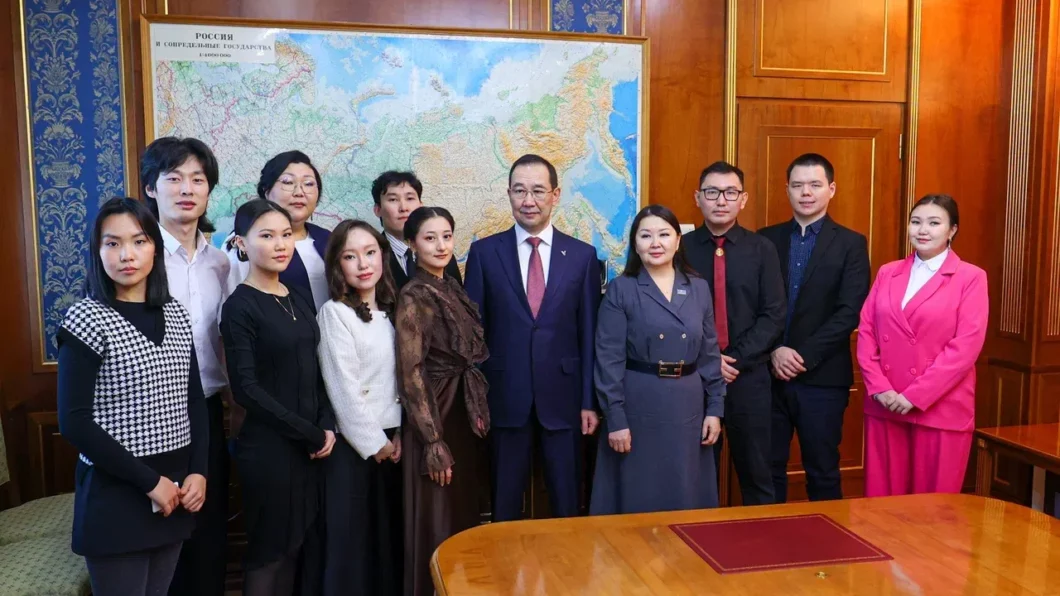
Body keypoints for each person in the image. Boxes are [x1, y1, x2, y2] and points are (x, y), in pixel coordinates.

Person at [57, 197, 207, 595]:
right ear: (97, 251)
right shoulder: (86, 318)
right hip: (117, 493)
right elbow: (74, 422)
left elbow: (194, 400)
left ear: (155, 247)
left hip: (175, 488)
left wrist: (199, 471)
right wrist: (150, 482)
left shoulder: (176, 314)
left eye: (139, 241)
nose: (127, 254)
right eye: (113, 243)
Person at [464, 154, 600, 521]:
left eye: (538, 191)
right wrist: (477, 403)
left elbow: (589, 334)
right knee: (504, 504)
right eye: (520, 191)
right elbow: (473, 336)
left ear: (555, 195)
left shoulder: (583, 257)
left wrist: (589, 402)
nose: (529, 200)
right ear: (508, 194)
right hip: (504, 398)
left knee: (566, 503)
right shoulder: (484, 253)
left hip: (565, 399)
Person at [220, 199, 336, 596]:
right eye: (267, 236)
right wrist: (309, 432)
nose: (280, 244)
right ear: (241, 243)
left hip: (310, 447)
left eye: (286, 235)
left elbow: (317, 366)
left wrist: (325, 423)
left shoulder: (298, 296)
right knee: (268, 553)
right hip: (269, 449)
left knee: (295, 548)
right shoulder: (239, 306)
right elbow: (246, 389)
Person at [141, 136, 232, 596]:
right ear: (151, 188)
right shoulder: (137, 257)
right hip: (150, 415)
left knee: (208, 534)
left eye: (198, 179)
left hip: (210, 411)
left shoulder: (223, 264)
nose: (186, 189)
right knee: (161, 540)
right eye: (173, 178)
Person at [590, 204, 725, 515]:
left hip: (688, 405)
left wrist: (715, 409)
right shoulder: (622, 289)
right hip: (639, 404)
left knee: (685, 492)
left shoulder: (698, 288)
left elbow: (710, 354)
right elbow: (608, 359)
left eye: (664, 234)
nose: (655, 243)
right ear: (635, 244)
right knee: (641, 494)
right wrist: (615, 419)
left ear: (678, 241)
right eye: (646, 235)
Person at [857, 195, 987, 495]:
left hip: (940, 409)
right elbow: (866, 332)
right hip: (886, 404)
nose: (922, 230)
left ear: (952, 230)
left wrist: (915, 396)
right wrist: (880, 388)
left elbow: (965, 348)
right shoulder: (888, 272)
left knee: (932, 506)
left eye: (934, 223)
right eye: (916, 222)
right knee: (883, 503)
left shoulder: (970, 277)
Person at [759, 153, 870, 502]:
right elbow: (753, 307)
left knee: (823, 472)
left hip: (823, 378)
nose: (805, 192)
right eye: (797, 185)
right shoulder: (765, 240)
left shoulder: (851, 243)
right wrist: (774, 350)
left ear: (831, 189)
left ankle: (827, 537)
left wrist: (801, 356)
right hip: (768, 376)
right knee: (767, 471)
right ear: (787, 190)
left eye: (815, 185)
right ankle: (769, 535)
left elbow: (849, 312)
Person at [394, 207, 490, 596]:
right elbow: (411, 371)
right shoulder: (414, 294)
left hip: (459, 409)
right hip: (434, 411)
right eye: (430, 238)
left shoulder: (450, 285)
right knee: (437, 513)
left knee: (459, 510)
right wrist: (433, 439)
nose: (441, 246)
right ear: (412, 244)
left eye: (446, 236)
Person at [683, 161, 785, 506]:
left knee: (757, 474)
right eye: (712, 192)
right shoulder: (680, 248)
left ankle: (763, 538)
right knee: (698, 473)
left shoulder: (762, 249)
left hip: (748, 378)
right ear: (698, 197)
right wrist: (708, 359)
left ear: (743, 199)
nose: (721, 200)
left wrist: (733, 359)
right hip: (695, 378)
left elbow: (773, 314)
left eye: (730, 193)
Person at [317, 219, 404, 596]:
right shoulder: (334, 313)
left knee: (388, 544)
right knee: (353, 548)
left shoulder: (393, 310)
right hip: (356, 448)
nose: (363, 264)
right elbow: (343, 389)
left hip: (395, 444)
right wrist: (376, 443)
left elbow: (404, 381)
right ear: (338, 265)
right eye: (350, 256)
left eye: (370, 253)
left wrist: (400, 434)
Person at [227, 151, 331, 310]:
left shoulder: (328, 239)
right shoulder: (245, 243)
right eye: (288, 182)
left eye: (309, 184)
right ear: (266, 191)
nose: (299, 192)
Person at [371, 170, 462, 287]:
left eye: (410, 198)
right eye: (393, 199)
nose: (404, 208)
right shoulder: (372, 257)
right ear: (377, 209)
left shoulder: (442, 253)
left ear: (421, 206)